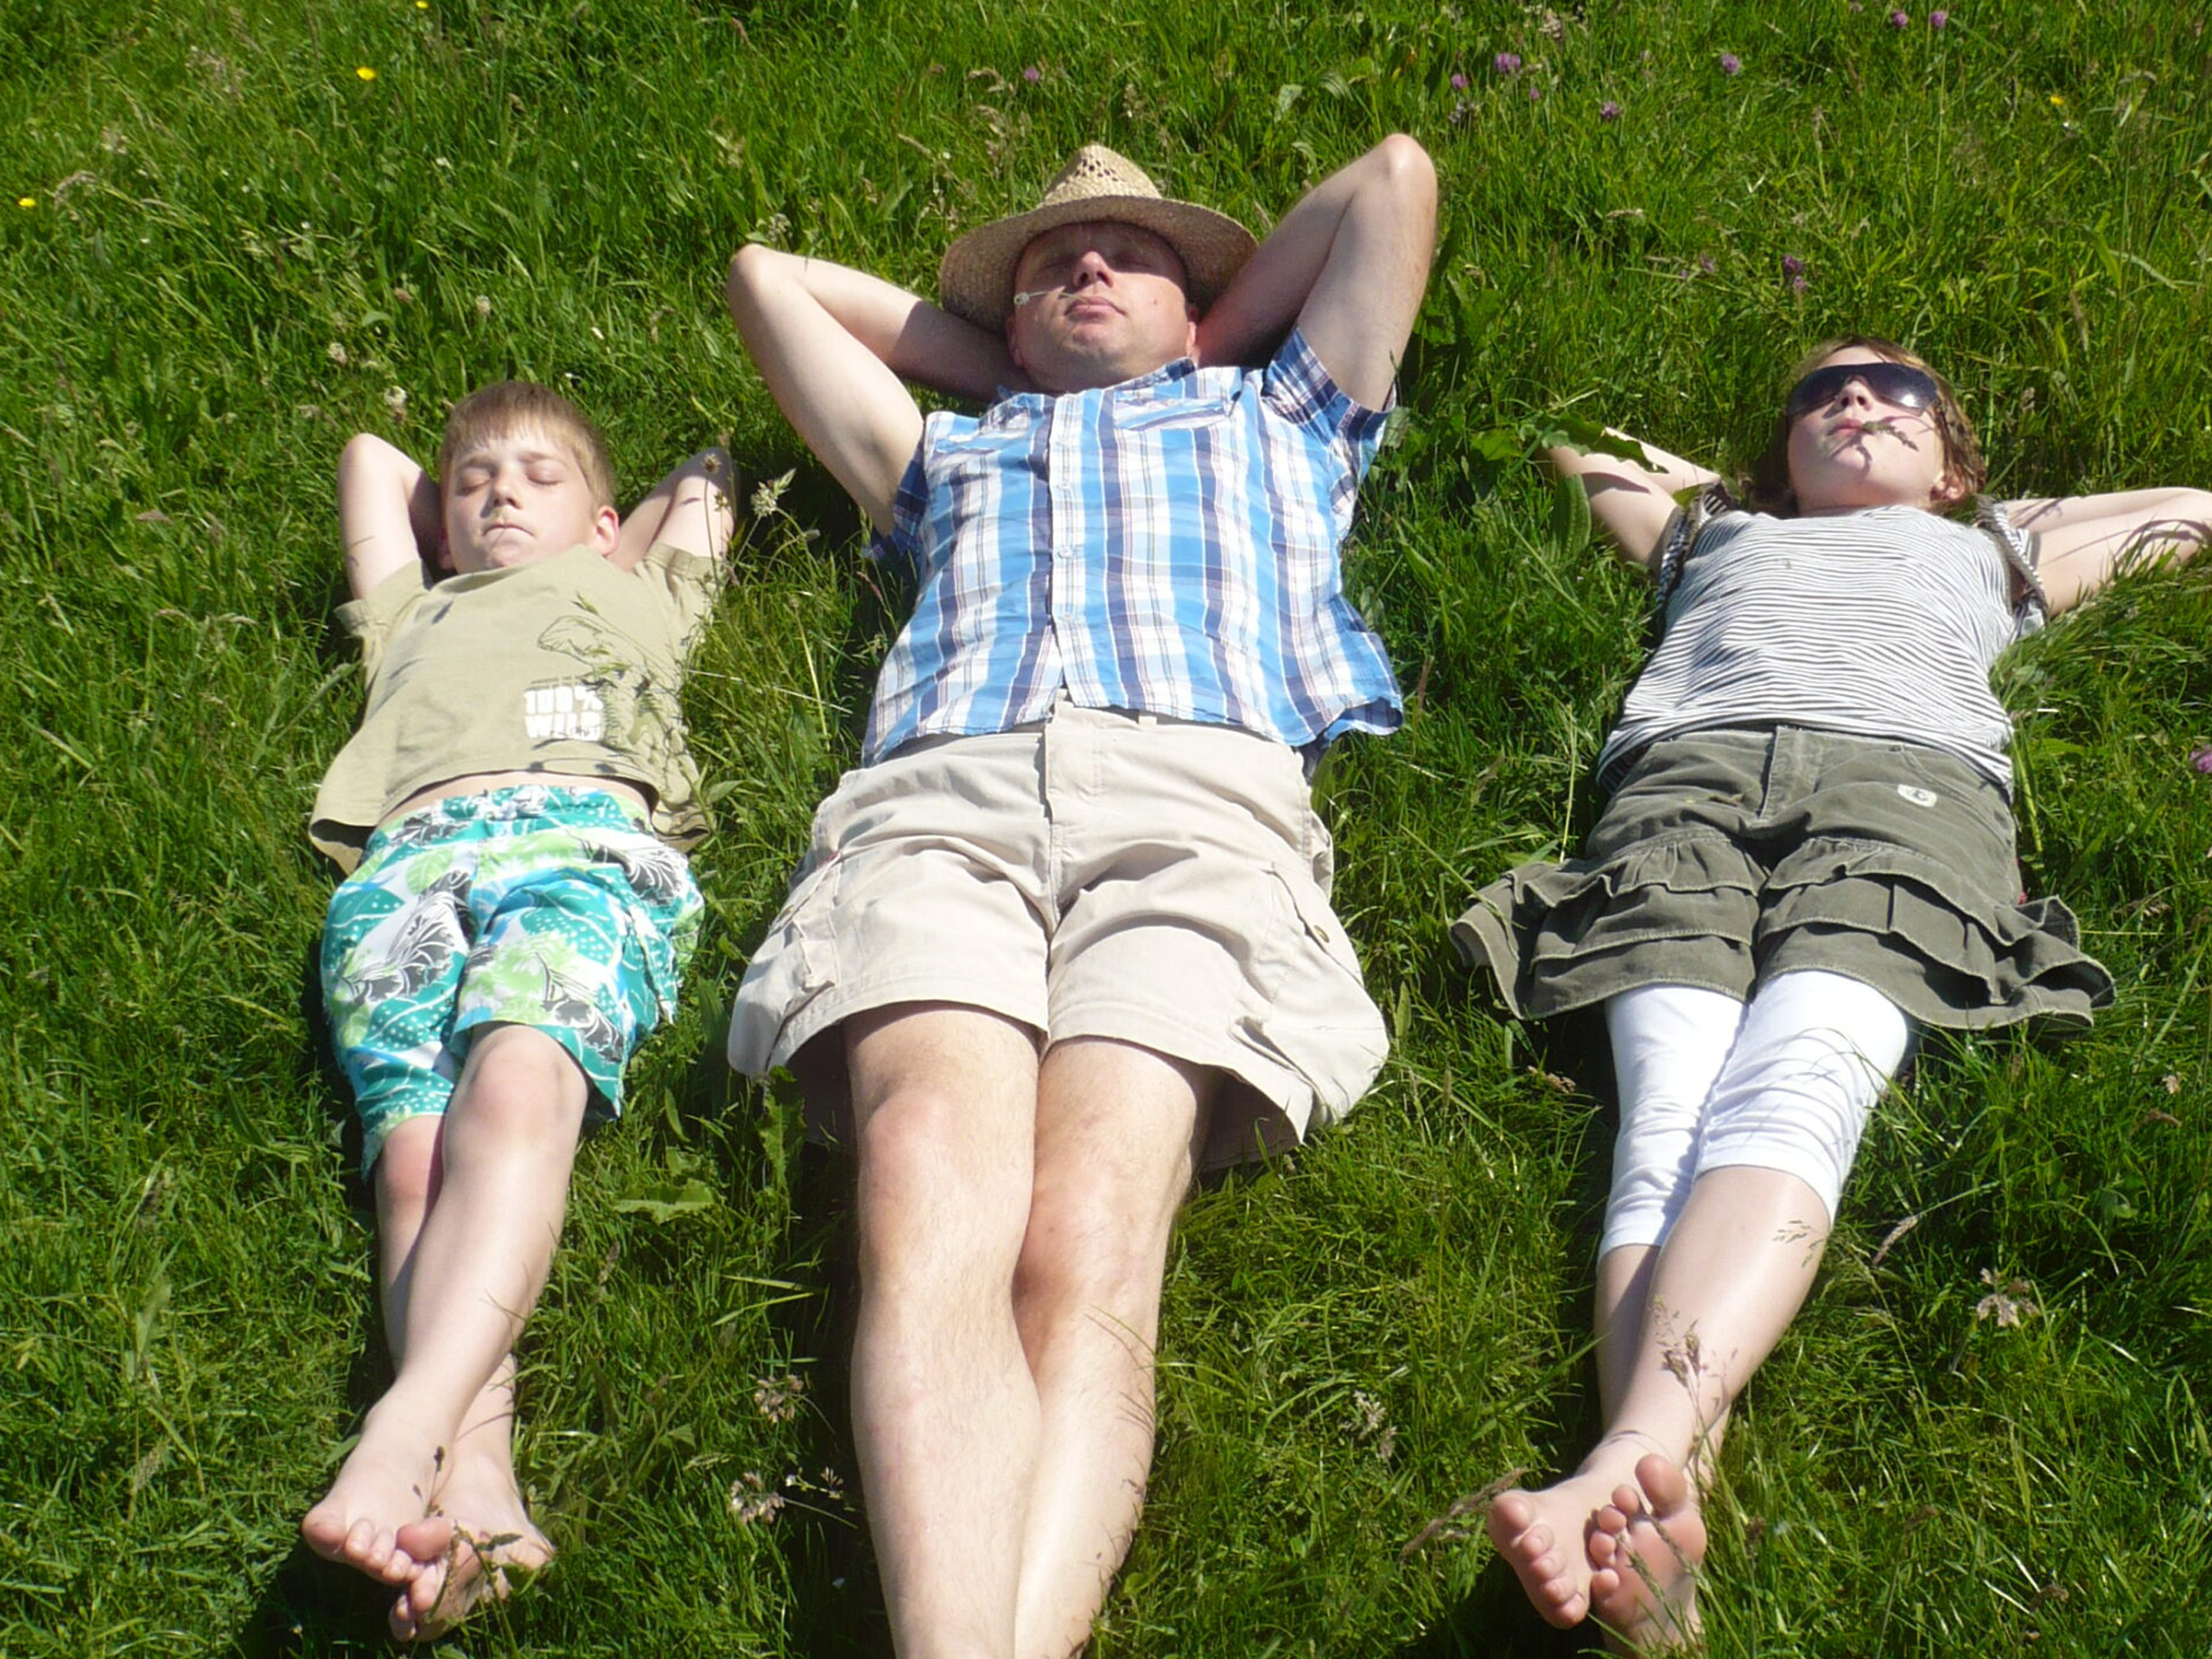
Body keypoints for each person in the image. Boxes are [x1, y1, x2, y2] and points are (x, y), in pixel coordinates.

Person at [722, 137, 1434, 1656]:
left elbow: (1395, 177)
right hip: (945, 803)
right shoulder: (944, 461)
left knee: (1092, 1242)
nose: (1084, 268)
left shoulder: (1287, 421)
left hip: (1199, 813)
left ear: (1209, 309)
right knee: (925, 1201)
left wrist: (1194, 344)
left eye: (1128, 254)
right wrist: (1017, 368)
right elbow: (764, 283)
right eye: (1049, 267)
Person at [1457, 338, 2211, 1650]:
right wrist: (1742, 493)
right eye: (1821, 395)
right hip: (1686, 782)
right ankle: (1657, 1528)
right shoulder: (1718, 541)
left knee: (1803, 1073)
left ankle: (1622, 1461)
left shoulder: (1990, 554)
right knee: (1669, 1117)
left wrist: (1998, 514)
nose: (1855, 401)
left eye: (1898, 392)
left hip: (1906, 788)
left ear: (1957, 459)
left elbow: (2194, 512)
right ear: (1778, 451)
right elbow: (1584, 453)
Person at [297, 382, 733, 1640]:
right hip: (409, 862)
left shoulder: (642, 594)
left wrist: (609, 524)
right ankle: (479, 1488)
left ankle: (403, 1434)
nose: (500, 493)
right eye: (478, 481)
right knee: (414, 1160)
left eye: (541, 480)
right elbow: (372, 455)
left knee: (522, 1074)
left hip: (586, 834)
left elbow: (706, 474)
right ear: (440, 530)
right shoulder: (414, 610)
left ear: (607, 526)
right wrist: (477, 512)